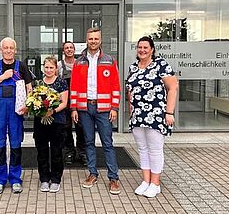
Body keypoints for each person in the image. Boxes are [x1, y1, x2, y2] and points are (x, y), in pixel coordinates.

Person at [70, 27, 121, 195]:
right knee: (89, 143)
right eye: (90, 39)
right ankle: (93, 173)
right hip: (85, 108)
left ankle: (113, 178)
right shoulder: (79, 62)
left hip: (104, 109)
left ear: (100, 40)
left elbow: (115, 86)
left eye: (96, 39)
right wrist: (74, 108)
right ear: (87, 40)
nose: (93, 41)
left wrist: (114, 107)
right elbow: (74, 87)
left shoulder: (109, 60)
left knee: (107, 143)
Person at [125, 36, 178, 198]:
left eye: (145, 47)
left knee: (155, 149)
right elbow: (130, 91)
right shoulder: (133, 67)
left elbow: (173, 88)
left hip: (156, 114)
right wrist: (131, 111)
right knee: (142, 149)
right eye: (139, 47)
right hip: (138, 115)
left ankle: (155, 183)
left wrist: (169, 112)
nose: (142, 50)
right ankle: (146, 181)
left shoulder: (161, 65)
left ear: (152, 49)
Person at [0, 37, 33, 194]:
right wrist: (3, 76)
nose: (9, 50)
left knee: (16, 144)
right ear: (1, 49)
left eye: (11, 48)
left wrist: (27, 106)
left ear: (15, 50)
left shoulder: (22, 66)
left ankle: (15, 179)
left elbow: (29, 88)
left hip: (16, 112)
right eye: (6, 48)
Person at [34, 56, 68, 193]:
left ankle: (55, 179)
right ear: (43, 67)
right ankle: (44, 179)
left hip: (57, 121)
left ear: (56, 69)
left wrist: (52, 111)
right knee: (41, 151)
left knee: (56, 151)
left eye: (51, 67)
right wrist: (40, 110)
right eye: (46, 67)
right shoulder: (38, 83)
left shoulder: (61, 83)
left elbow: (64, 102)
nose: (48, 70)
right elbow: (33, 100)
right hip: (40, 121)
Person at [58, 41, 86, 166]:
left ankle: (82, 152)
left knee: (81, 127)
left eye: (71, 48)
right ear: (63, 51)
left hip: (79, 101)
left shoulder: (81, 64)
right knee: (65, 128)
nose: (69, 50)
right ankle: (69, 151)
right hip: (65, 102)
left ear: (74, 50)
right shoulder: (59, 65)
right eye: (66, 48)